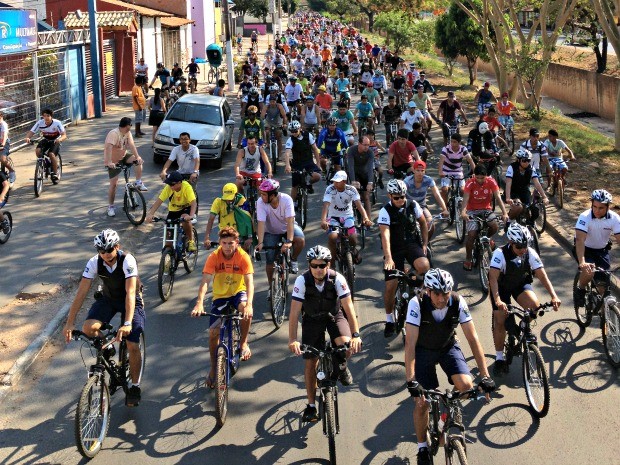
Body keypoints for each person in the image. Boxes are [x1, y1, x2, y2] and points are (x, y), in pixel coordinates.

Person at [405, 268, 495, 465]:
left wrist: (486, 375)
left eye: (445, 293)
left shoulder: (457, 301)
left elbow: (473, 338)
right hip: (422, 351)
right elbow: (410, 344)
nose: (441, 298)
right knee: (422, 403)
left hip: (447, 346)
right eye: (437, 293)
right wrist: (411, 380)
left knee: (466, 386)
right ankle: (422, 448)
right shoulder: (416, 304)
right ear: (428, 291)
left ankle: (447, 411)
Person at [63, 229, 145, 406]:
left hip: (130, 300)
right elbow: (81, 293)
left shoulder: (127, 260)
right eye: (101, 251)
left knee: (132, 343)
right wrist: (70, 323)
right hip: (109, 299)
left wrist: (128, 323)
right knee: (88, 328)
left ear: (117, 247)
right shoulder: (94, 262)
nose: (106, 254)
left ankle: (135, 386)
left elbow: (130, 292)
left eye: (109, 250)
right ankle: (107, 349)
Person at [288, 245, 363, 422]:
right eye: (314, 266)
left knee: (345, 348)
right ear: (309, 266)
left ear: (328, 265)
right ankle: (311, 406)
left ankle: (342, 368)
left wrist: (356, 334)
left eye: (322, 265)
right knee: (310, 362)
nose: (318, 269)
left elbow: (348, 307)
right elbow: (294, 313)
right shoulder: (302, 281)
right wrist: (293, 340)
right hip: (312, 319)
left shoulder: (338, 279)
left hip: (334, 316)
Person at [488, 223, 561, 375]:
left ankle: (520, 327)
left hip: (519, 285)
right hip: (501, 289)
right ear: (510, 242)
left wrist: (554, 295)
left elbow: (542, 275)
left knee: (535, 307)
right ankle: (499, 357)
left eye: (525, 246)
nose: (522, 250)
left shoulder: (530, 253)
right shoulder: (499, 254)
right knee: (500, 320)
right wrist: (498, 300)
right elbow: (493, 279)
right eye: (519, 247)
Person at [191, 227, 255, 387]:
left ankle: (243, 343)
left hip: (238, 293)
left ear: (237, 243)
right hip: (220, 296)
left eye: (231, 243)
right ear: (220, 243)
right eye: (224, 243)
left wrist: (249, 305)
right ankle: (214, 368)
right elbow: (205, 281)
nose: (227, 246)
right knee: (213, 334)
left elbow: (249, 282)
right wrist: (199, 303)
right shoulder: (214, 257)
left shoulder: (243, 257)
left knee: (246, 313)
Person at [379, 179, 430, 337]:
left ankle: (411, 280)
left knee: (424, 266)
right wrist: (388, 257)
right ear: (389, 196)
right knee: (391, 285)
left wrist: (424, 243)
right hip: (394, 249)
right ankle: (389, 320)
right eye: (396, 198)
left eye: (402, 196)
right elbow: (385, 235)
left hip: (411, 244)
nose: (400, 200)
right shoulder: (385, 211)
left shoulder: (412, 205)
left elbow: (423, 223)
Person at [573, 190, 620, 307]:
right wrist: (582, 261)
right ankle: (581, 289)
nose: (597, 211)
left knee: (603, 287)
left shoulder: (614, 218)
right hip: (584, 248)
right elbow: (579, 240)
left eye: (601, 208)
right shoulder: (584, 217)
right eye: (594, 206)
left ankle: (605, 320)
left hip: (601, 250)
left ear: (608, 207)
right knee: (589, 271)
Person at [255, 178, 306, 278]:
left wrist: (289, 241)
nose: (261, 196)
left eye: (264, 194)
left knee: (300, 240)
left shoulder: (286, 199)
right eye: (261, 193)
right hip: (271, 232)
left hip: (288, 228)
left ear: (273, 195)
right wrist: (260, 242)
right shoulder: (260, 202)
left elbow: (290, 221)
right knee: (270, 260)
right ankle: (271, 288)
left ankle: (294, 259)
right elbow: (261, 223)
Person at [461, 165, 508, 271]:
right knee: (472, 235)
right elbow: (465, 199)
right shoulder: (470, 183)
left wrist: (505, 213)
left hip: (486, 210)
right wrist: (463, 212)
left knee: (494, 226)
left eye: (482, 178)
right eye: (477, 177)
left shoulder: (491, 181)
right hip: (472, 211)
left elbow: (498, 198)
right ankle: (468, 258)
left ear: (486, 176)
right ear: (474, 176)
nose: (480, 180)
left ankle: (486, 239)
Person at [321, 170, 372, 264]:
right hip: (333, 217)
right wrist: (323, 220)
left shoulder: (351, 190)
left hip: (348, 217)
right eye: (334, 181)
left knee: (353, 237)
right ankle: (331, 264)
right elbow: (326, 205)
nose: (335, 183)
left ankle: (354, 251)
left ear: (344, 181)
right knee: (333, 237)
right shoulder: (329, 189)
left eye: (338, 181)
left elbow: (359, 205)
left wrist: (365, 218)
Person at [103, 117, 147, 218]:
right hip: (113, 161)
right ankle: (111, 207)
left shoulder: (128, 133)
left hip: (123, 156)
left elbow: (131, 144)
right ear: (124, 126)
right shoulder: (114, 133)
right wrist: (109, 162)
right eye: (128, 127)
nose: (129, 129)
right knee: (114, 185)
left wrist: (137, 156)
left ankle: (138, 182)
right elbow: (109, 147)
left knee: (138, 162)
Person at [145, 171, 198, 253]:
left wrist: (191, 216)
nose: (171, 186)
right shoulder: (168, 188)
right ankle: (168, 257)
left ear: (179, 182)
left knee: (185, 219)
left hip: (186, 208)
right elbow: (159, 201)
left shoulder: (187, 187)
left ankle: (191, 241)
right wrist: (150, 214)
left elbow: (193, 202)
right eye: (169, 184)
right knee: (168, 239)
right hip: (174, 210)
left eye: (172, 184)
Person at [404, 160, 449, 240]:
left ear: (425, 171)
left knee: (431, 225)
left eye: (422, 171)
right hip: (409, 206)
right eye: (418, 170)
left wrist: (444, 209)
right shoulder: (407, 181)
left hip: (422, 205)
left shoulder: (428, 180)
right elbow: (402, 195)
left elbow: (437, 194)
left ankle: (426, 243)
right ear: (413, 170)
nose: (420, 173)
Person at [504, 148, 548, 228]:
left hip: (524, 191)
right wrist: (508, 197)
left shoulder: (531, 169)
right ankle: (509, 220)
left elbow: (537, 183)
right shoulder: (512, 167)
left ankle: (530, 222)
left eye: (528, 160)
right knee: (518, 207)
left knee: (534, 209)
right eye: (524, 160)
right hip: (513, 191)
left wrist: (544, 197)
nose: (526, 163)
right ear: (518, 160)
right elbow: (508, 183)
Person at [204, 183, 253, 251]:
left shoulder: (242, 201)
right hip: (224, 234)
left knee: (243, 254)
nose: (228, 200)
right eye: (227, 198)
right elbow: (211, 219)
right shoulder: (218, 202)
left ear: (236, 194)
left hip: (239, 234)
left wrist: (250, 238)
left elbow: (248, 220)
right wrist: (207, 238)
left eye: (230, 198)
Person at [25, 108, 67, 182]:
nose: (46, 118)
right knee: (38, 151)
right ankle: (44, 164)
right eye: (44, 116)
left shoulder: (57, 123)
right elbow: (32, 131)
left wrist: (59, 140)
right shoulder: (40, 123)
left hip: (55, 140)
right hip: (46, 139)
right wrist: (28, 137)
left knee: (51, 154)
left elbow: (64, 136)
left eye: (48, 116)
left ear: (51, 116)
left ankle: (55, 172)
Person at [284, 120, 322, 199]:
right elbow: (287, 153)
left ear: (300, 129)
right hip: (297, 164)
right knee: (295, 185)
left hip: (309, 162)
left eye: (295, 131)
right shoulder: (290, 140)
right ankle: (293, 204)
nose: (294, 133)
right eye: (292, 131)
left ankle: (308, 183)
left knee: (317, 176)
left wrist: (318, 163)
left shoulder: (308, 136)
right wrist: (287, 165)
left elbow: (315, 149)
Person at [437, 133, 475, 208]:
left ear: (459, 143)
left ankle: (463, 206)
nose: (452, 144)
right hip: (446, 171)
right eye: (452, 141)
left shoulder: (463, 149)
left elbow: (470, 160)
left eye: (455, 142)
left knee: (463, 190)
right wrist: (440, 171)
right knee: (444, 189)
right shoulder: (446, 148)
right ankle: (445, 207)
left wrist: (475, 172)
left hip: (458, 172)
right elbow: (441, 160)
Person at [346, 136, 375, 217]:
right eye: (364, 145)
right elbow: (350, 166)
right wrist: (353, 181)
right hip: (355, 174)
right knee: (356, 195)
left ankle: (368, 221)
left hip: (365, 174)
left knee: (366, 197)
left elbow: (370, 168)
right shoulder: (351, 150)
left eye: (368, 145)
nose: (367, 147)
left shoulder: (370, 152)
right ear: (359, 144)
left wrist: (370, 182)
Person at [0, 111, 14, 184]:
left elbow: (5, 135)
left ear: (1, 116)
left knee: (2, 159)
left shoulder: (3, 125)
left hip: (4, 143)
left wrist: (2, 144)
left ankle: (11, 171)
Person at [0, 169, 10, 233]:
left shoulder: (0, 174)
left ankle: (4, 222)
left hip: (2, 195)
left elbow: (6, 185)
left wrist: (2, 196)